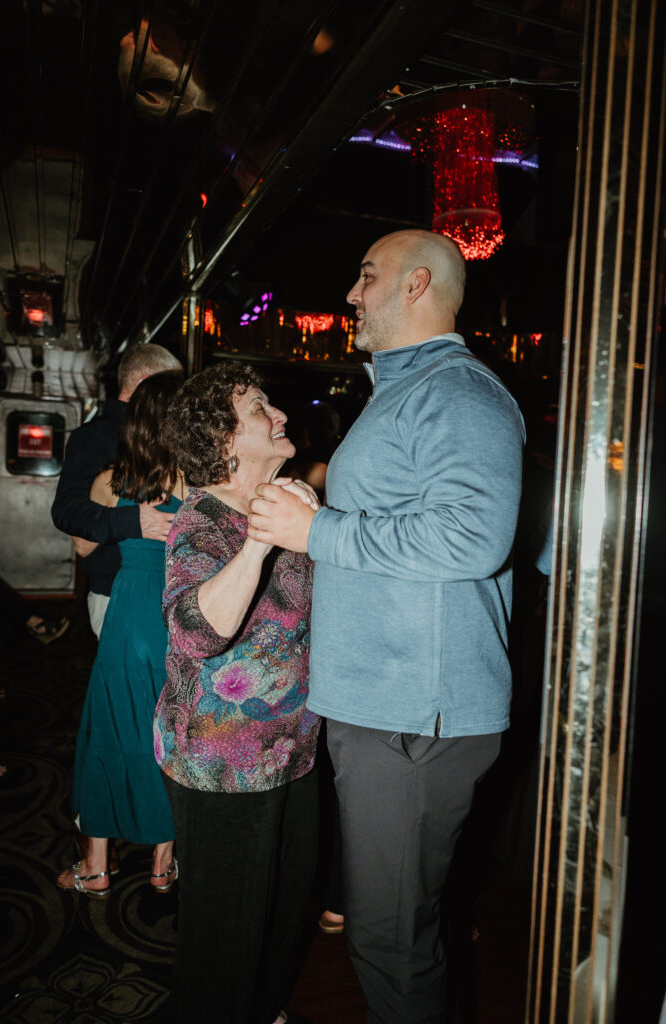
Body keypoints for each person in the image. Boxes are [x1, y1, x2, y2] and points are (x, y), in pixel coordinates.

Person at [248, 229, 525, 1023]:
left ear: (415, 285)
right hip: (388, 701)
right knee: (390, 931)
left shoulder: (456, 391)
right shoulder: (411, 390)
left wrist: (319, 531)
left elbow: (474, 538)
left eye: (365, 276)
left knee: (390, 939)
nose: (350, 294)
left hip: (413, 711)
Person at [152, 362, 320, 1024]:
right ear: (223, 440)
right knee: (224, 938)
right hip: (219, 767)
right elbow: (194, 633)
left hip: (293, 751)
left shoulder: (285, 505)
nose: (279, 415)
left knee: (283, 912)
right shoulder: (203, 521)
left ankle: (264, 1009)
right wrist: (256, 545)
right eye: (259, 409)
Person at [57, 371, 185, 898]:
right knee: (170, 730)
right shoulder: (202, 483)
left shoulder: (112, 481)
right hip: (178, 613)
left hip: (128, 613)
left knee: (109, 728)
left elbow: (81, 547)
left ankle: (96, 867)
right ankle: (162, 864)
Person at [51, 342, 182, 638]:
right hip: (117, 589)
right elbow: (67, 511)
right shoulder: (95, 436)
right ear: (148, 385)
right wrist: (132, 520)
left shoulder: (169, 436)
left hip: (168, 586)